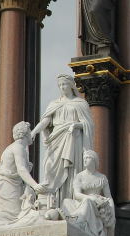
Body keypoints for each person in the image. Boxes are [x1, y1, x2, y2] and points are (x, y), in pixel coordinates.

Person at [0, 122, 47, 229]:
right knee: (13, 217)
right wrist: (35, 185)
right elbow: (21, 170)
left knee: (13, 215)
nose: (31, 134)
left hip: (9, 184)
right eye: (30, 132)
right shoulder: (18, 148)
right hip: (8, 185)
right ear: (25, 134)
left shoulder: (14, 147)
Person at [32, 74, 94, 206]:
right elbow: (45, 121)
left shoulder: (80, 103)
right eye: (59, 85)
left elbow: (87, 124)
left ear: (71, 85)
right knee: (50, 166)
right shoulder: (54, 104)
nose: (62, 87)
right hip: (56, 139)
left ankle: (69, 200)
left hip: (73, 138)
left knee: (71, 170)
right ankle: (51, 199)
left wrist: (75, 125)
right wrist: (34, 132)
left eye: (64, 84)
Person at [60, 150, 118, 236]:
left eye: (87, 158)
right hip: (83, 201)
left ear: (94, 160)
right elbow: (77, 194)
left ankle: (80, 223)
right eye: (84, 158)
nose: (85, 160)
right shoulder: (79, 176)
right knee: (66, 201)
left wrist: (112, 211)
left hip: (98, 205)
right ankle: (77, 222)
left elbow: (108, 197)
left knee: (88, 202)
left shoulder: (102, 178)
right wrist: (90, 197)